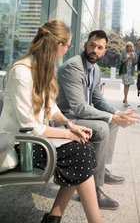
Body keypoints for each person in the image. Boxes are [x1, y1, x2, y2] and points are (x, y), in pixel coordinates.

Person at [0, 19, 102, 223]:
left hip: (31, 138)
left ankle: (54, 217)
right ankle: (80, 219)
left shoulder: (40, 67)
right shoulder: (22, 72)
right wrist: (68, 134)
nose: (67, 50)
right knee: (80, 150)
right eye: (68, 45)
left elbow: (50, 106)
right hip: (17, 143)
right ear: (58, 44)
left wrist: (70, 124)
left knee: (83, 145)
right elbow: (31, 127)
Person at [57, 30, 140, 210]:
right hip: (65, 118)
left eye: (100, 47)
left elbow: (97, 100)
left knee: (112, 123)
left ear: (104, 51)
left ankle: (100, 170)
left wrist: (118, 114)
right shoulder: (73, 67)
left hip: (79, 116)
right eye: (92, 45)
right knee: (103, 127)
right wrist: (113, 117)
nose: (95, 50)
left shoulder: (94, 69)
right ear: (86, 45)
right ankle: (93, 188)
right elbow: (79, 107)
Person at [120, 42, 137, 107]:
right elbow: (121, 61)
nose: (131, 47)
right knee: (126, 85)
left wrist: (133, 60)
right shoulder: (123, 53)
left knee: (128, 85)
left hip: (131, 72)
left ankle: (125, 98)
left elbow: (135, 63)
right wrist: (127, 59)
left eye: (132, 46)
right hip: (125, 71)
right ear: (127, 47)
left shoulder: (134, 54)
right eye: (129, 46)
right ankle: (126, 100)